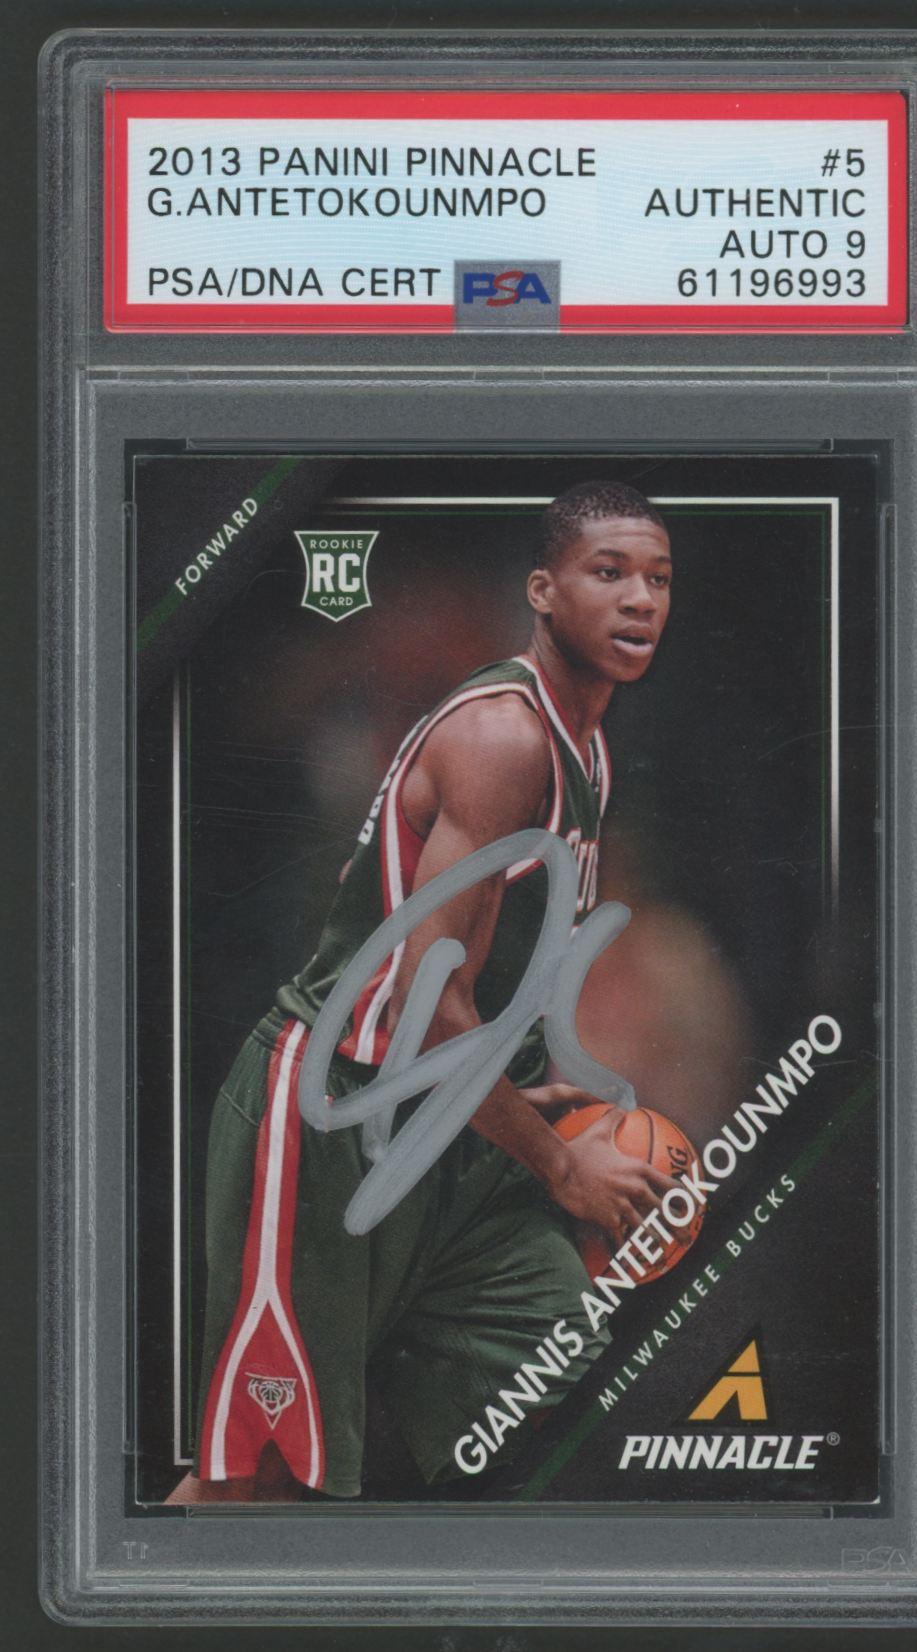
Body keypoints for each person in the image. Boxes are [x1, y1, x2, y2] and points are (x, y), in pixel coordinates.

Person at [168, 480, 675, 1504]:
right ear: (541, 591)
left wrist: (522, 1096)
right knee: (255, 1484)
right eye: (608, 572)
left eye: (658, 578)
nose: (638, 599)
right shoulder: (502, 740)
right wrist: (561, 1165)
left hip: (447, 1129)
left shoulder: (584, 745)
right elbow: (424, 1008)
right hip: (334, 1114)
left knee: (570, 1407)